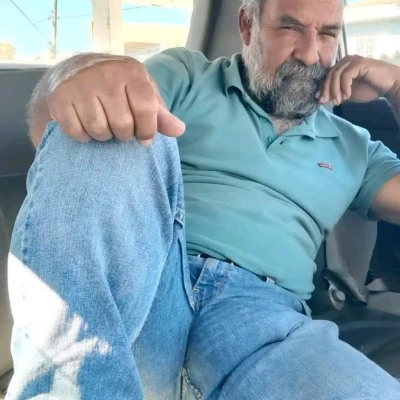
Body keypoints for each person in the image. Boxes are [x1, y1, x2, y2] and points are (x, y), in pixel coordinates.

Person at [6, 0, 400, 399]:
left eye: (328, 34)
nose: (311, 54)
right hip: (142, 288)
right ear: (247, 26)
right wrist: (78, 77)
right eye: (290, 28)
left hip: (264, 325)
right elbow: (61, 148)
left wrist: (397, 85)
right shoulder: (187, 74)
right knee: (110, 116)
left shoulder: (356, 147)